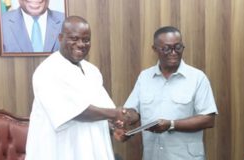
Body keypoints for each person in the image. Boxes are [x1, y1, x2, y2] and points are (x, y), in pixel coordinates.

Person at [25, 16, 128, 160]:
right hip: (60, 152)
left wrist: (113, 127)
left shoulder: (92, 70)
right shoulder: (48, 71)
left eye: (86, 40)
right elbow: (77, 112)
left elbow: (104, 110)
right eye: (74, 38)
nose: (81, 44)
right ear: (60, 38)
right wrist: (115, 114)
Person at [114, 26, 218, 160]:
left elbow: (208, 120)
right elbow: (133, 111)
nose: (173, 52)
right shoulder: (144, 77)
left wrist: (171, 124)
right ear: (155, 49)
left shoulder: (197, 78)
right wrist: (125, 120)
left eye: (178, 47)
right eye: (167, 48)